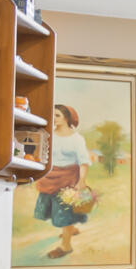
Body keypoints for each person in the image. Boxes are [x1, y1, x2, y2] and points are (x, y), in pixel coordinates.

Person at [32, 103, 92, 259]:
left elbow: (83, 162)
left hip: (69, 178)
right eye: (52, 114)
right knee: (53, 209)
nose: (53, 118)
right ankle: (70, 229)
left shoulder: (77, 139)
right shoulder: (48, 135)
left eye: (57, 115)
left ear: (67, 118)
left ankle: (66, 246)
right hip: (50, 178)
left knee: (65, 211)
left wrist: (81, 181)